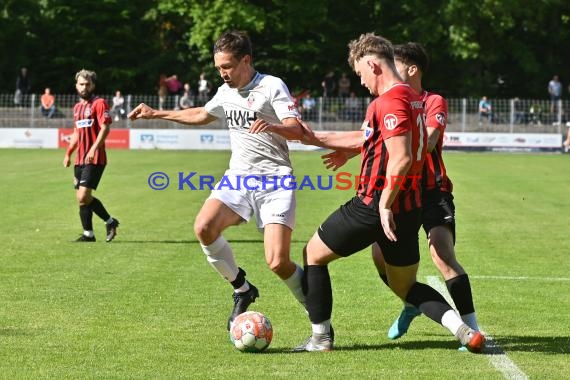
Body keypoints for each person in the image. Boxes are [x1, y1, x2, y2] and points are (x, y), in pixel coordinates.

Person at [293, 33, 485, 353]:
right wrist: (323, 141)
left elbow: (402, 157)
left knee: (313, 255)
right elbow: (380, 141)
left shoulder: (390, 100)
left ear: (372, 64)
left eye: (360, 74)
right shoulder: (413, 98)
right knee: (406, 286)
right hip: (410, 209)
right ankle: (464, 331)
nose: (362, 82)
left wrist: (383, 204)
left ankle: (320, 338)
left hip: (373, 205)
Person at [128, 30, 306, 330]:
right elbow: (201, 114)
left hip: (275, 180)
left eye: (227, 67)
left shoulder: (271, 86)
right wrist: (155, 112)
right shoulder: (225, 92)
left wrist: (273, 126)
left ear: (245, 60)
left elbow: (295, 128)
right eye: (218, 68)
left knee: (278, 262)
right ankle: (242, 288)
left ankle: (315, 310)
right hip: (238, 177)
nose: (222, 73)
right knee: (203, 227)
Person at [367, 42, 480, 347]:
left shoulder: (433, 101)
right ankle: (411, 301)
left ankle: (472, 327)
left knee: (442, 253)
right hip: (401, 191)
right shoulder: (390, 100)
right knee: (379, 256)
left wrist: (400, 142)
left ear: (412, 69)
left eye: (397, 65)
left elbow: (427, 143)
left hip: (432, 190)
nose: (391, 71)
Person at [63, 69, 120, 242]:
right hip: (80, 159)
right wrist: (68, 154)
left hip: (95, 158)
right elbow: (76, 133)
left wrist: (94, 148)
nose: (84, 87)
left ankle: (110, 221)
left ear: (93, 85)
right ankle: (89, 234)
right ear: (76, 86)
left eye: (87, 84)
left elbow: (105, 128)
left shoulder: (99, 103)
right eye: (81, 84)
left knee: (83, 196)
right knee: (82, 199)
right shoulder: (77, 107)